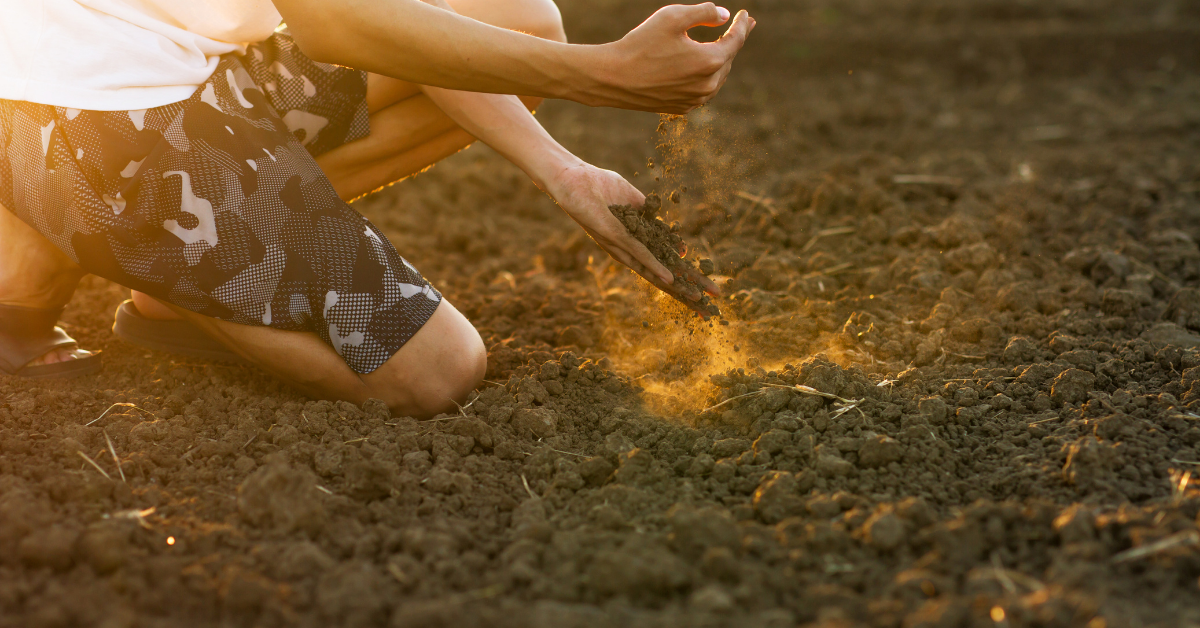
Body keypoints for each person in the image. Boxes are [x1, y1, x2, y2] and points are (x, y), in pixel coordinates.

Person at [0, 0, 750, 417]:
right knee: (436, 372)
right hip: (94, 118)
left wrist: (565, 171)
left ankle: (193, 264)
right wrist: (600, 74)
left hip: (191, 72)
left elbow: (396, 17)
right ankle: (126, 246)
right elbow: (339, 25)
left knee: (516, 18)